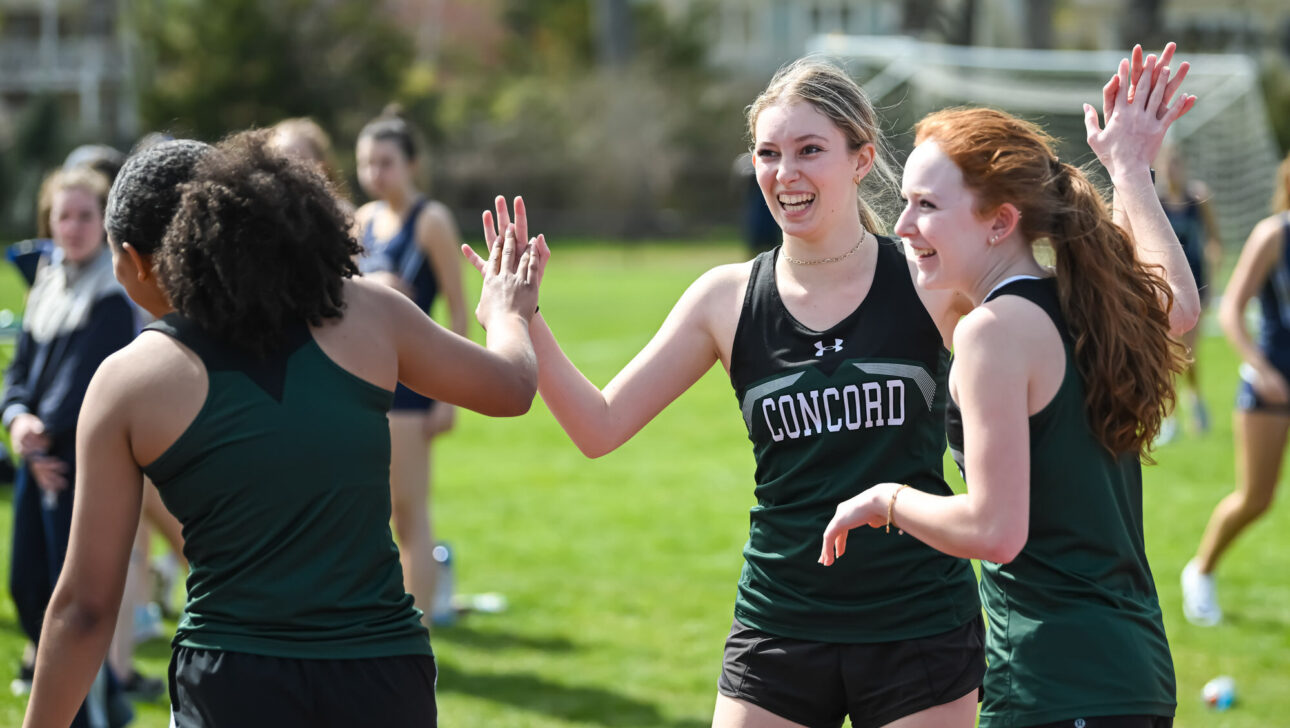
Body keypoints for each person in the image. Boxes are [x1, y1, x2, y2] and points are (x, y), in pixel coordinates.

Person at [467, 58, 985, 728]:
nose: (786, 174)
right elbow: (599, 427)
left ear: (861, 159)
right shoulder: (726, 298)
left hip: (917, 624)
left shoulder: (929, 282)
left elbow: (1037, 372)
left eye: (810, 151)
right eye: (769, 153)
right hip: (779, 621)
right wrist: (523, 318)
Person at [20, 133, 542, 728]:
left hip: (233, 684)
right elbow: (512, 387)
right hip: (382, 678)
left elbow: (86, 608)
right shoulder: (370, 312)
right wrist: (506, 313)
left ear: (137, 261)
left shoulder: (128, 381)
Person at [819, 45, 1199, 727]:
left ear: (1000, 222)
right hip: (1131, 678)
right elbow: (1179, 305)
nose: (904, 225)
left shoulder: (992, 333)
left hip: (1055, 685)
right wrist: (1131, 170)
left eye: (927, 205)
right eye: (904, 202)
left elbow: (996, 530)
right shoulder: (1089, 308)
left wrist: (887, 499)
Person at [3, 165, 137, 726]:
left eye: (87, 216)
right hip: (43, 462)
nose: (75, 227)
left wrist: (39, 435)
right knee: (27, 586)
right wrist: (15, 418)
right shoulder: (49, 284)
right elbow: (21, 374)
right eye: (65, 216)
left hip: (80, 467)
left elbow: (84, 384)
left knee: (74, 599)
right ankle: (98, 701)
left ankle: (93, 710)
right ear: (49, 223)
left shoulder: (111, 289)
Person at [354, 106, 469, 626]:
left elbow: (460, 309)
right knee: (366, 515)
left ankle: (417, 629)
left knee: (408, 514)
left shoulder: (432, 220)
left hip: (412, 388)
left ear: (412, 164)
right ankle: (381, 620)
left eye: (386, 162)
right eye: (367, 163)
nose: (376, 173)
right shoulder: (362, 220)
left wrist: (450, 394)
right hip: (362, 382)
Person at [1181, 150, 1290, 627]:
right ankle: (1200, 571)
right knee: (1256, 498)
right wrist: (1262, 370)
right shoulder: (1274, 234)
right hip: (1272, 384)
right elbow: (1230, 312)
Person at [1154, 143, 1222, 443]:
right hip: (1166, 289)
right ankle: (1170, 420)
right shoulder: (1156, 201)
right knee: (1168, 354)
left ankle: (1196, 403)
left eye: (1177, 164)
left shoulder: (1198, 200)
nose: (1173, 170)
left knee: (1189, 353)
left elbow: (1214, 239)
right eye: (1169, 164)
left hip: (1197, 287)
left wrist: (1214, 273)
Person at [270, 117, 355, 216]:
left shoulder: (342, 214)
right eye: (282, 161)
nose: (290, 169)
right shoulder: (265, 211)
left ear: (322, 167)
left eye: (300, 160)